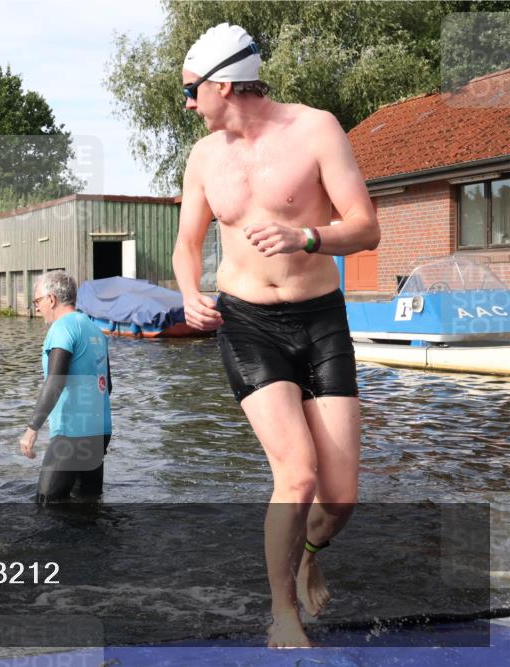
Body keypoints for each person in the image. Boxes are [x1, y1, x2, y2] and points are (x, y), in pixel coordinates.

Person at [173, 23, 380, 648]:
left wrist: (307, 237)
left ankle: (311, 553)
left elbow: (366, 228)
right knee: (297, 474)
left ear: (224, 84)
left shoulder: (315, 129)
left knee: (340, 497)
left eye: (190, 92)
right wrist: (188, 292)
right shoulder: (205, 158)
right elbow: (186, 245)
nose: (187, 105)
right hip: (247, 322)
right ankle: (282, 612)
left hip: (319, 318)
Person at [19, 271, 112, 503]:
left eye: (37, 301)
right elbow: (107, 386)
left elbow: (55, 381)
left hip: (71, 435)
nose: (37, 308)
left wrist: (32, 429)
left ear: (51, 299)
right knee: (88, 506)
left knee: (46, 505)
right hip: (100, 431)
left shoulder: (62, 328)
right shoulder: (96, 330)